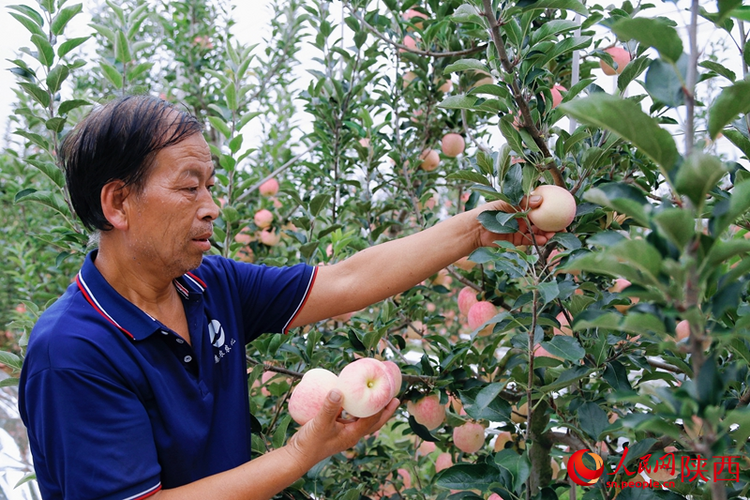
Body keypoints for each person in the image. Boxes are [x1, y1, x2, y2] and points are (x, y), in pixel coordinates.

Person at [18, 95, 553, 500]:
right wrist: (302, 453)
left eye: (210, 185)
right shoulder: (72, 353)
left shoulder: (209, 285)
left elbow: (344, 284)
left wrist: (477, 231)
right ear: (118, 203)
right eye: (189, 187)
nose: (211, 207)